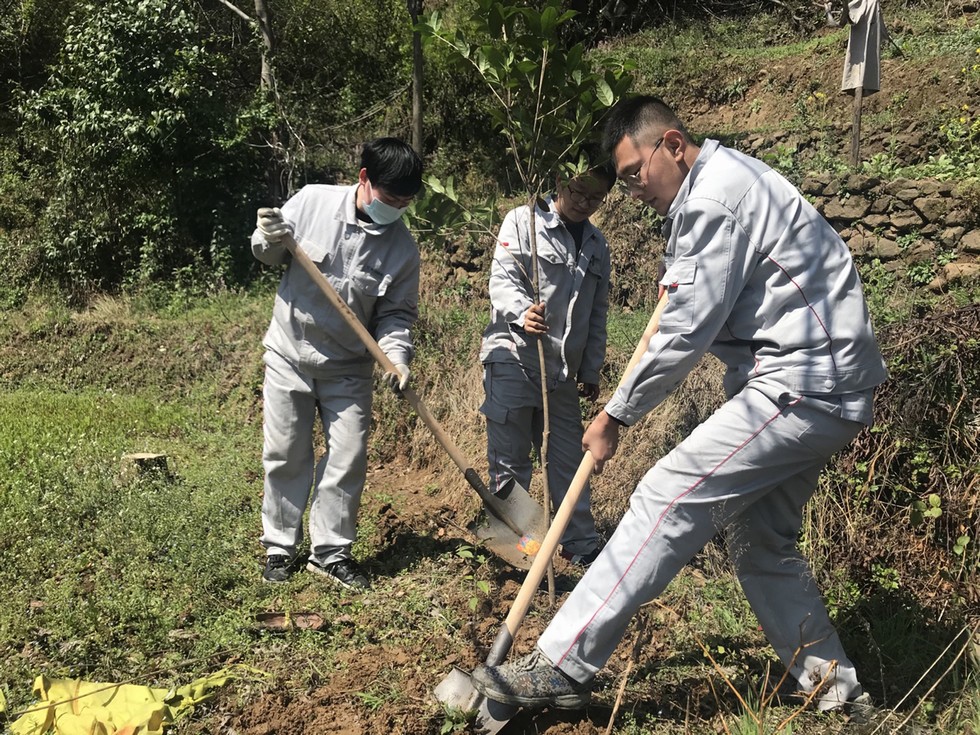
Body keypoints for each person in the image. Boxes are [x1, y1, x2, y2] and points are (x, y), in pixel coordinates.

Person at [471, 96, 888, 716]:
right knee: (759, 539)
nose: (634, 190)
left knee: (665, 493)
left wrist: (615, 415)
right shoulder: (722, 187)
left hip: (804, 381)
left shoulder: (714, 197)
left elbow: (687, 327)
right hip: (821, 382)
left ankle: (562, 665)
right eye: (625, 181)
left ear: (671, 143)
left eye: (636, 173)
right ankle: (838, 694)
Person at [251, 137, 424, 590]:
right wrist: (269, 236)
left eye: (407, 201)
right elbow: (269, 256)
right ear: (364, 179)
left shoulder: (402, 249)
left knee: (348, 457)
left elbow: (396, 315)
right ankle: (279, 548)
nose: (399, 208)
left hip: (348, 368)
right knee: (286, 451)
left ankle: (330, 553)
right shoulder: (312, 202)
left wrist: (397, 359)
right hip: (291, 352)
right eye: (392, 198)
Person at [479, 160, 616, 567]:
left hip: (562, 372)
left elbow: (597, 313)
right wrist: (523, 312)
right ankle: (513, 550)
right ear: (560, 180)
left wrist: (590, 369)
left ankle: (579, 544)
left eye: (596, 198)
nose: (584, 203)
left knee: (569, 460)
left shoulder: (597, 244)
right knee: (511, 460)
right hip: (514, 357)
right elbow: (501, 280)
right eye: (578, 192)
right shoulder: (522, 222)